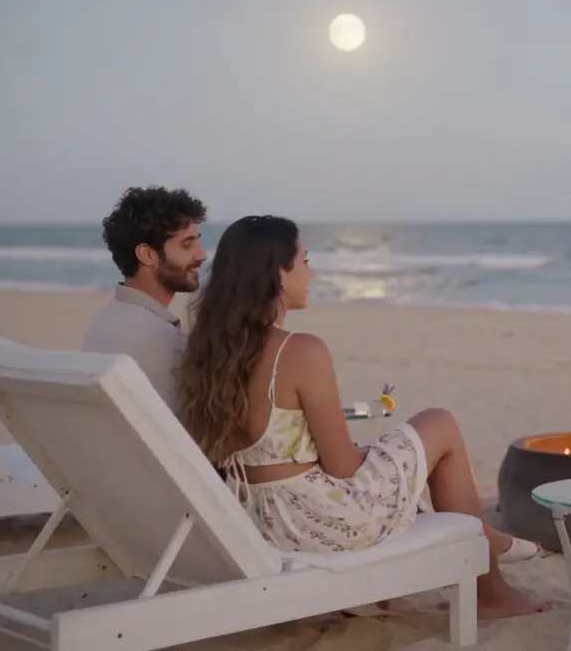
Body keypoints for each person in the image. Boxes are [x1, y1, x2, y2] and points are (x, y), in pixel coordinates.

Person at [176, 215, 549, 620]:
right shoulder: (300, 351)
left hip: (262, 520)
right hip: (321, 522)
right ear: (278, 274)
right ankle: (489, 583)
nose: (312, 271)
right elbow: (341, 468)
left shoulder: (208, 354)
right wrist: (370, 453)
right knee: (439, 423)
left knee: (398, 450)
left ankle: (482, 536)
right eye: (304, 260)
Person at [81, 186, 209, 408]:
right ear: (147, 254)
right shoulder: (162, 339)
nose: (202, 254)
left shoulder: (106, 317)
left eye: (197, 240)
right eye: (187, 244)